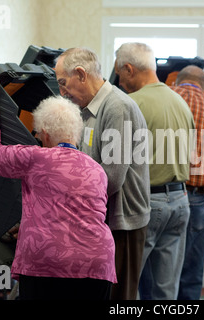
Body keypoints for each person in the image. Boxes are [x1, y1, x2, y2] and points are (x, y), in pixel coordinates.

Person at [0, 67, 116, 300]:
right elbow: (74, 212)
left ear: (46, 134)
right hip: (97, 264)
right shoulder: (96, 169)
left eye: (38, 134)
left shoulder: (37, 158)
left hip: (49, 263)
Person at [53, 47, 151, 300]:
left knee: (119, 299)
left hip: (122, 221)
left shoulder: (117, 107)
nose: (62, 92)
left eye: (64, 83)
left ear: (81, 74)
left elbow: (111, 177)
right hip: (101, 219)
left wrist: (71, 208)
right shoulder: (88, 109)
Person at [114, 42, 195, 300]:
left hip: (147, 202)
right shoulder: (180, 102)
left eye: (119, 74)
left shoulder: (130, 103)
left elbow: (117, 161)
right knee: (166, 290)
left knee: (128, 284)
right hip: (181, 200)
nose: (119, 81)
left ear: (129, 69)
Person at [170, 65, 204, 300]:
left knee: (159, 264)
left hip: (164, 190)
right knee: (191, 267)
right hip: (197, 195)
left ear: (178, 82)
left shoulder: (168, 96)